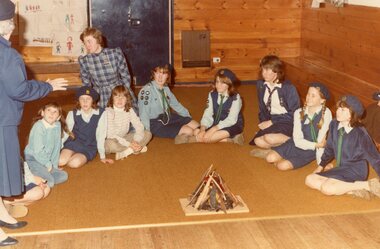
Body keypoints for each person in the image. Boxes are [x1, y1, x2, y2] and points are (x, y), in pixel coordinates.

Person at [0, 0, 67, 245]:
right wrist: (47, 86)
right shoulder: (6, 53)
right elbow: (18, 89)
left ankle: (3, 215)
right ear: (9, 27)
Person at [305, 95, 380, 200]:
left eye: (343, 110)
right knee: (309, 179)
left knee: (327, 188)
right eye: (338, 108)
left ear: (352, 114)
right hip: (340, 168)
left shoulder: (360, 133)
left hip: (355, 170)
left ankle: (367, 185)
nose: (338, 112)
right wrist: (320, 166)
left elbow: (375, 158)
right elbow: (329, 148)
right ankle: (353, 189)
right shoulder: (334, 124)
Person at [266, 82, 332, 170]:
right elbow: (297, 140)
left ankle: (282, 157)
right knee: (269, 158)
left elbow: (321, 142)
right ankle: (278, 154)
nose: (308, 98)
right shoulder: (298, 112)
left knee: (282, 166)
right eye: (308, 94)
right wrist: (317, 145)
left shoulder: (326, 113)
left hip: (311, 150)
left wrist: (321, 162)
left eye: (313, 96)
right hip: (298, 143)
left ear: (322, 100)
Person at [249, 55, 300, 158]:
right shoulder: (261, 85)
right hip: (273, 120)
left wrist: (272, 122)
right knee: (258, 141)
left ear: (277, 71)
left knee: (269, 138)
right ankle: (279, 151)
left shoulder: (288, 88)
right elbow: (262, 108)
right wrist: (263, 122)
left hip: (289, 121)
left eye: (268, 70)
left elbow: (295, 113)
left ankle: (297, 144)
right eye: (263, 69)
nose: (264, 73)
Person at [78, 27, 137, 110]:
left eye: (89, 41)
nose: (87, 45)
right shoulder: (84, 60)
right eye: (85, 43)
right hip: (100, 95)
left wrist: (122, 94)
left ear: (98, 40)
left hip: (118, 91)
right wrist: (88, 99)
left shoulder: (115, 53)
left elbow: (126, 76)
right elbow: (86, 85)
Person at [138, 65, 199, 142]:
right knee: (189, 131)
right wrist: (146, 132)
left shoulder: (166, 88)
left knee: (196, 125)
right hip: (154, 123)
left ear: (168, 76)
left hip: (167, 117)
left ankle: (182, 136)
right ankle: (183, 138)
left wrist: (187, 117)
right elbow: (144, 114)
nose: (160, 77)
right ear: (153, 74)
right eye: (157, 73)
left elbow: (176, 104)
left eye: (163, 73)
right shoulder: (146, 91)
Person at [183, 69, 244, 144]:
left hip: (232, 124)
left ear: (229, 84)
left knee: (210, 137)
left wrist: (213, 129)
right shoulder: (212, 94)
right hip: (216, 122)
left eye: (222, 83)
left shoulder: (236, 98)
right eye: (217, 82)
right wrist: (203, 128)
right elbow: (208, 113)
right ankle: (229, 139)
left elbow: (231, 120)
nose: (218, 85)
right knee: (196, 131)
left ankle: (192, 140)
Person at [97, 85, 152, 162]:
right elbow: (110, 134)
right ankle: (134, 149)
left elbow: (139, 125)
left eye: (123, 97)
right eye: (116, 97)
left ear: (127, 99)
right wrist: (129, 144)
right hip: (111, 139)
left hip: (124, 138)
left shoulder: (129, 110)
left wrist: (136, 140)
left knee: (148, 133)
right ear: (112, 99)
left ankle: (127, 151)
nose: (120, 100)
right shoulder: (108, 112)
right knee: (110, 144)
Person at [25, 103, 70, 188]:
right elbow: (38, 151)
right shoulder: (39, 126)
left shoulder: (57, 125)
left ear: (59, 117)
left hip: (46, 160)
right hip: (33, 158)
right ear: (42, 113)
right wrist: (48, 165)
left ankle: (42, 176)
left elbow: (56, 148)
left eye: (55, 111)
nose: (51, 113)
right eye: (48, 110)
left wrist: (54, 166)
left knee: (64, 175)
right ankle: (31, 174)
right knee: (50, 181)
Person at [59, 86, 103, 168]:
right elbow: (66, 132)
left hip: (89, 146)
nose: (85, 102)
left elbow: (101, 135)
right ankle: (70, 154)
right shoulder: (72, 113)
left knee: (74, 164)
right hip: (74, 143)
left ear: (93, 100)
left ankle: (76, 156)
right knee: (61, 161)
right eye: (82, 99)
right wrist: (59, 147)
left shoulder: (101, 113)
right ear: (78, 101)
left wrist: (102, 156)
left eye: (88, 99)